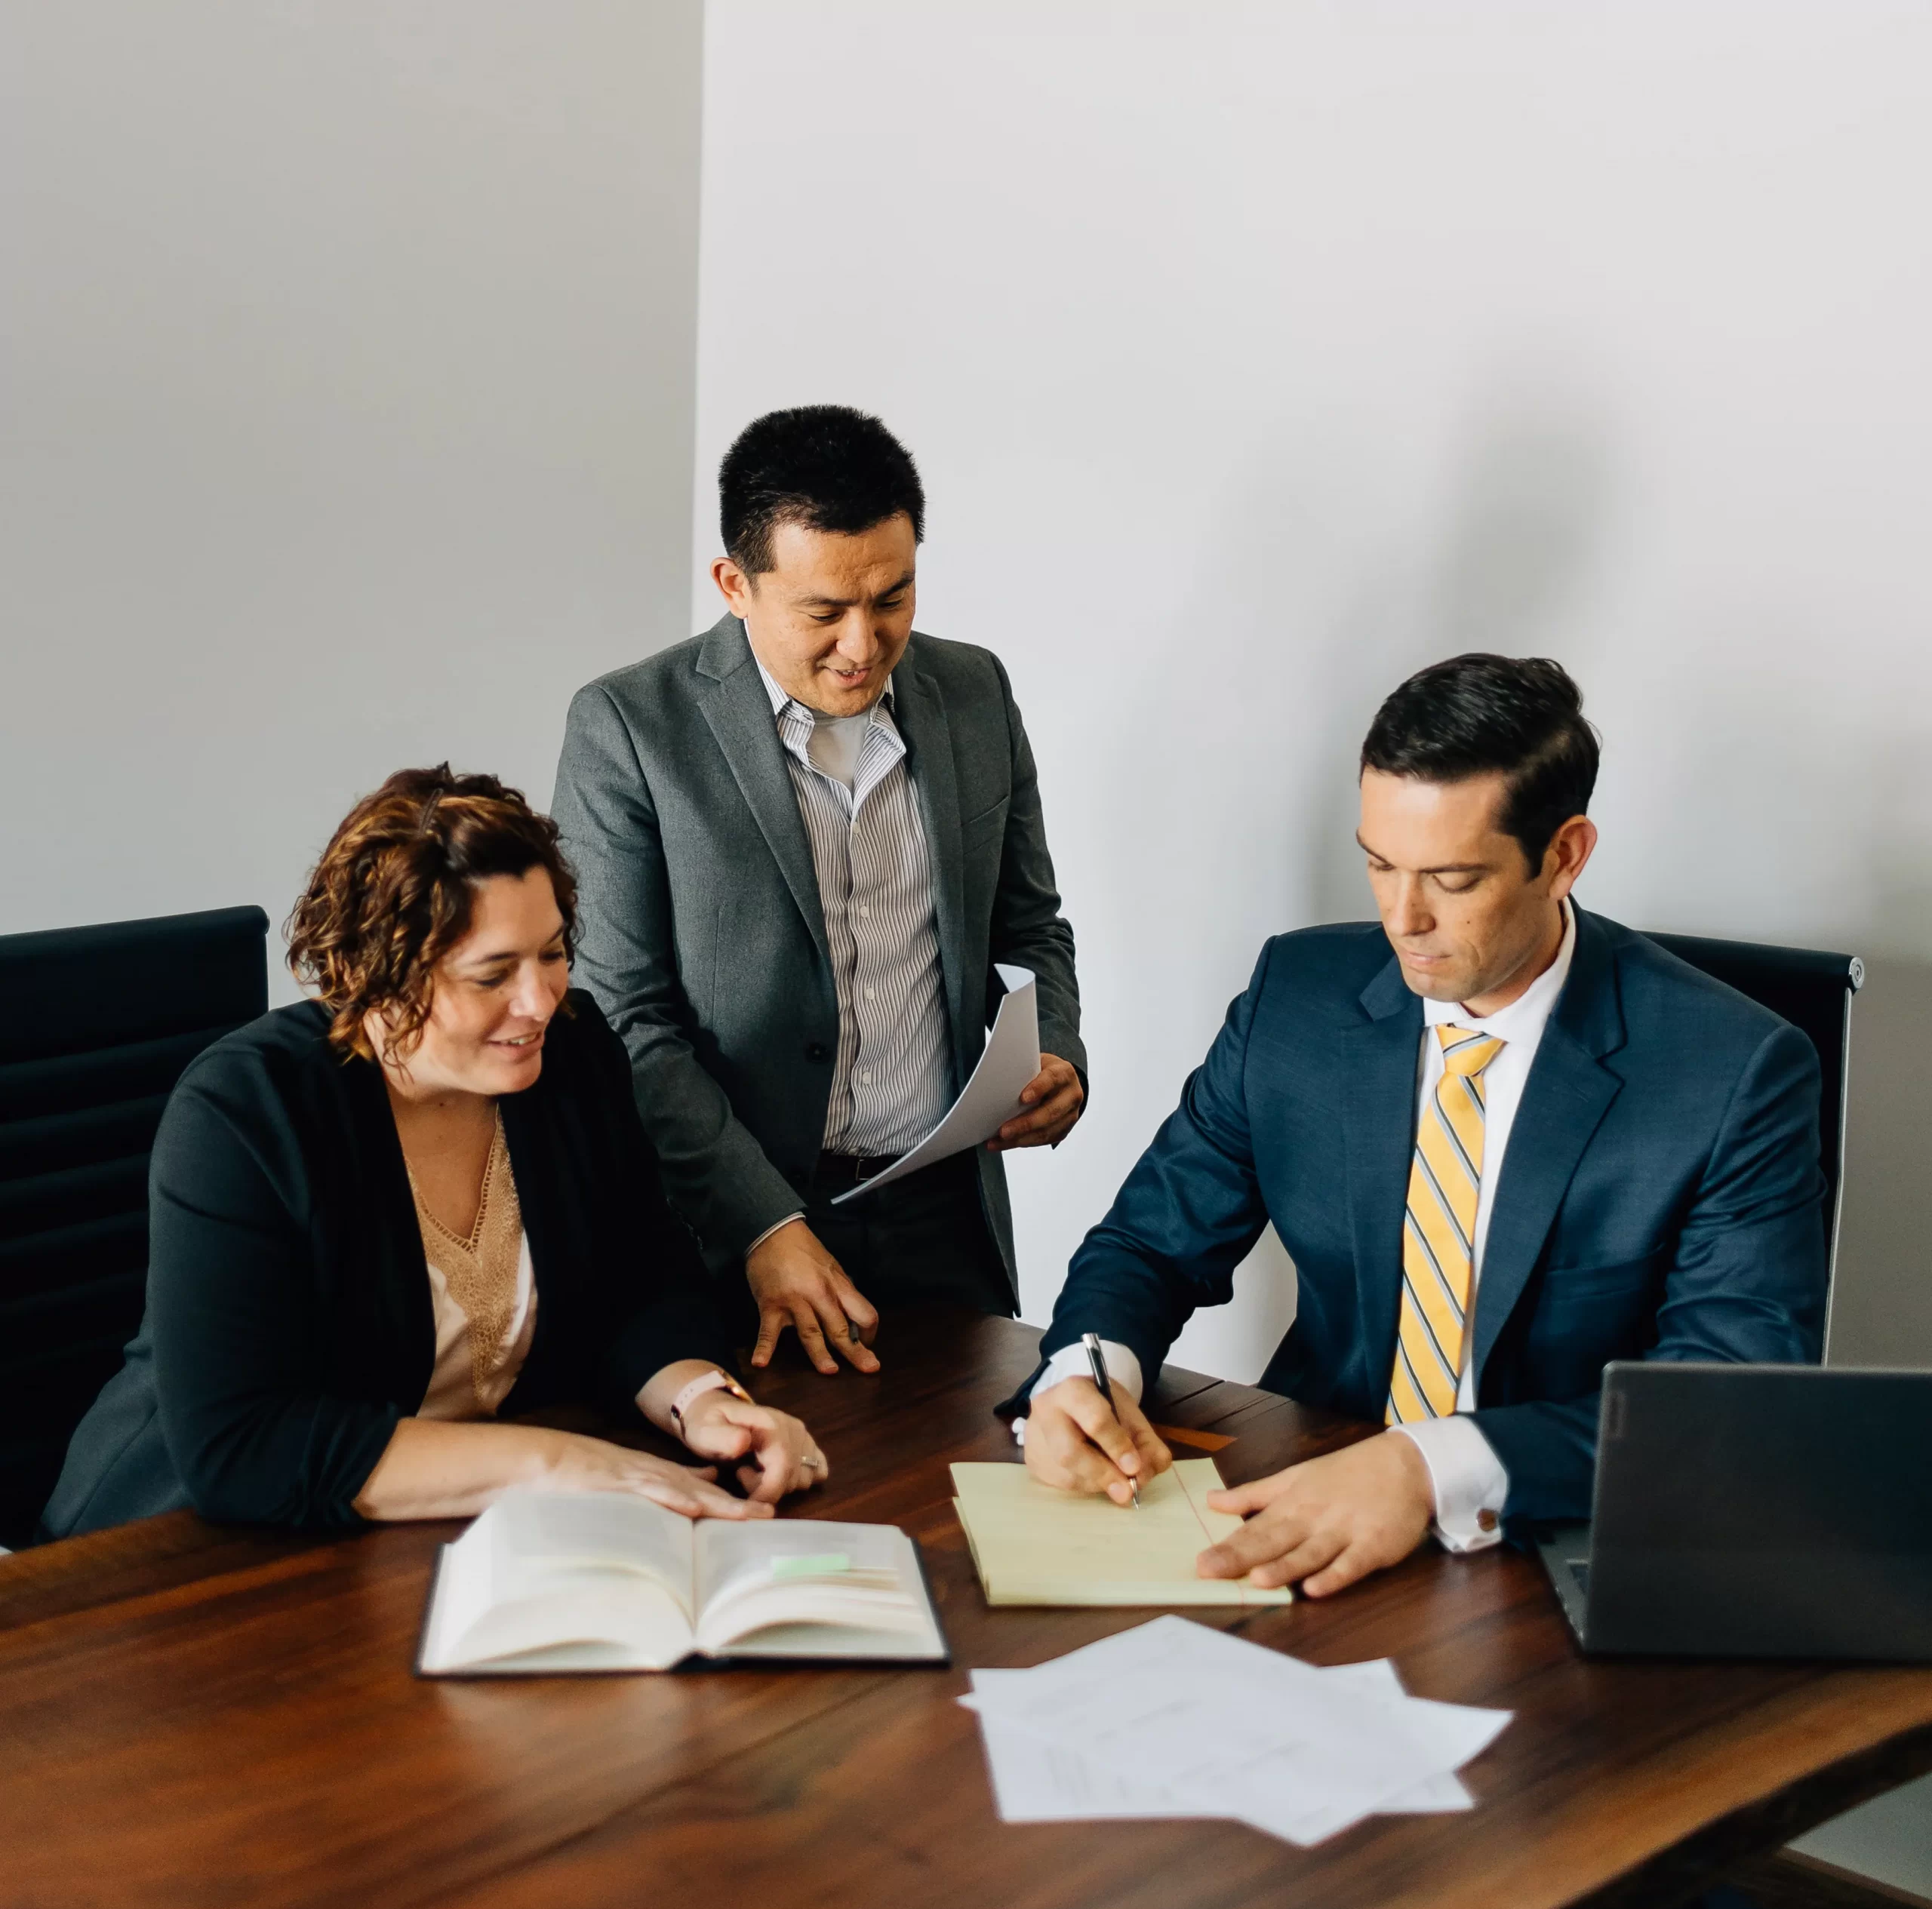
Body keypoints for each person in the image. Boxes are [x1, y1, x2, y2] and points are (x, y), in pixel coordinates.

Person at [1012, 654, 1826, 1599]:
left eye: (1451, 878)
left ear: (1564, 855)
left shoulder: (1732, 1069)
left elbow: (1722, 1404)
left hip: (1546, 1546)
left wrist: (1427, 1466)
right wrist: (1083, 1371)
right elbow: (1150, 1243)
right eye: (1379, 863)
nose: (1403, 919)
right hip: (1307, 1496)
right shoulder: (1299, 996)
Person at [42, 767, 826, 1538]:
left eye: (553, 953)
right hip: (179, 1552)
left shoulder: (575, 1055)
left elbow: (642, 1284)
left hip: (436, 1534)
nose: (541, 1001)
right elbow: (247, 1443)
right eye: (494, 974)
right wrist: (557, 1464)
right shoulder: (245, 1111)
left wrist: (703, 1402)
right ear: (372, 976)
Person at [552, 404, 1086, 1376]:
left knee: (964, 1501)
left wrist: (1056, 1050)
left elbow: (1029, 924)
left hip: (943, 1216)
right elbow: (623, 1017)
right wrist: (762, 1223)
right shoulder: (628, 727)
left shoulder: (974, 692)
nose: (863, 642)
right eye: (822, 612)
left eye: (892, 596)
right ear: (735, 585)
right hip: (725, 1230)